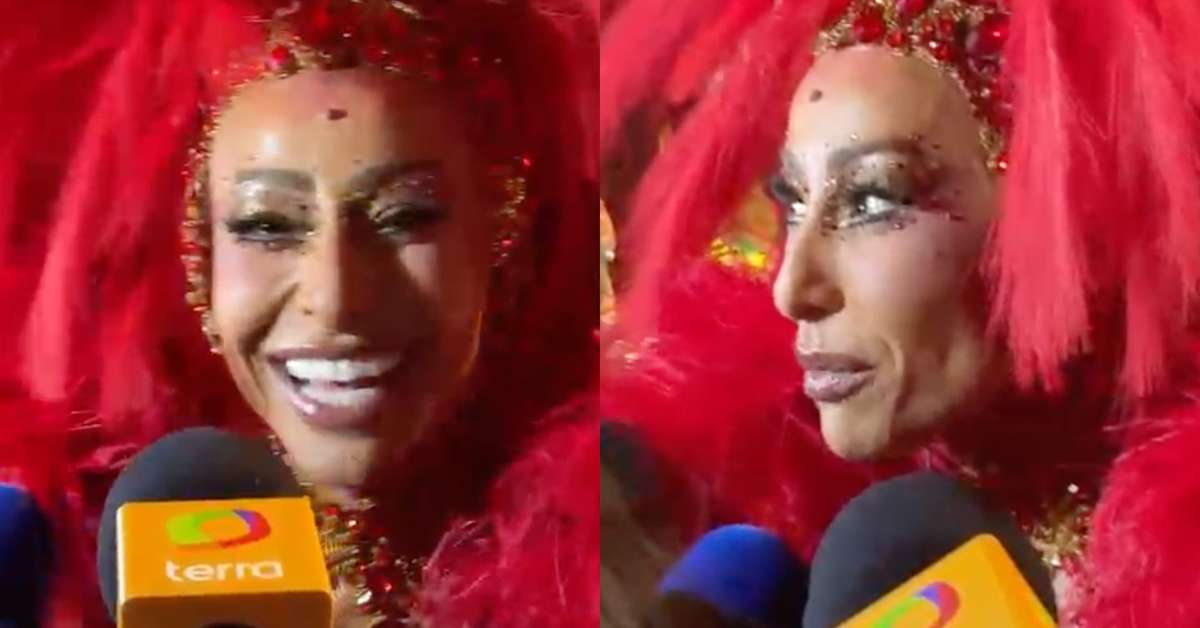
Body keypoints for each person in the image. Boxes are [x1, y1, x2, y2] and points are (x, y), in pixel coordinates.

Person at [599, 0, 1200, 623]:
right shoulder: (772, 528)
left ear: (1074, 211)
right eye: (794, 201)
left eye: (874, 199)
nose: (792, 287)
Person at [0, 0, 598, 625]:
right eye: (267, 226)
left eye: (404, 216)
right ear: (200, 260)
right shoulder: (41, 570)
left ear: (500, 247)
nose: (336, 300)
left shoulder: (616, 548)